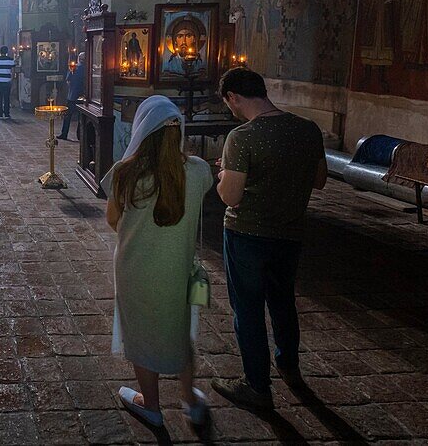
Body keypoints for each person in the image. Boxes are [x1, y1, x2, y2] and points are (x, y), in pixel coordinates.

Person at [212, 68, 327, 411]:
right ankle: (288, 365)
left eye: (228, 103)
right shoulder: (307, 129)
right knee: (282, 301)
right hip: (290, 233)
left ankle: (257, 386)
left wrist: (222, 175)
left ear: (233, 97)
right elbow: (319, 179)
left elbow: (231, 196)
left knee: (247, 309)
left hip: (247, 234)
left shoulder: (242, 137)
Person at [102, 95, 212, 429]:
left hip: (135, 268)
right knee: (179, 329)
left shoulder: (125, 173)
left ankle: (151, 405)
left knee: (139, 332)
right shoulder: (198, 171)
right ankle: (190, 401)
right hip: (177, 267)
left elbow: (112, 220)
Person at [59, 52, 85, 141]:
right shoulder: (88, 68)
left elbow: (68, 81)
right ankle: (80, 136)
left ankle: (64, 134)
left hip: (72, 96)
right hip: (83, 96)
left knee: (67, 116)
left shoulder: (74, 68)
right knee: (81, 118)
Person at [0, 46, 16, 119]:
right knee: (7, 97)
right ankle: (6, 113)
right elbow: (13, 71)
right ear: (6, 52)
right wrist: (11, 79)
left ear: (0, 52)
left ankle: (0, 113)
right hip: (7, 81)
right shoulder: (11, 60)